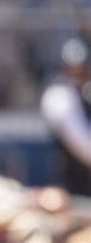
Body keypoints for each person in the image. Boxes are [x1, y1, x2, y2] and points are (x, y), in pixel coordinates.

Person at [40, 38, 91, 196]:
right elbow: (81, 143)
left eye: (81, 68)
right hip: (71, 183)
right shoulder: (58, 95)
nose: (77, 72)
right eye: (72, 68)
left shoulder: (86, 90)